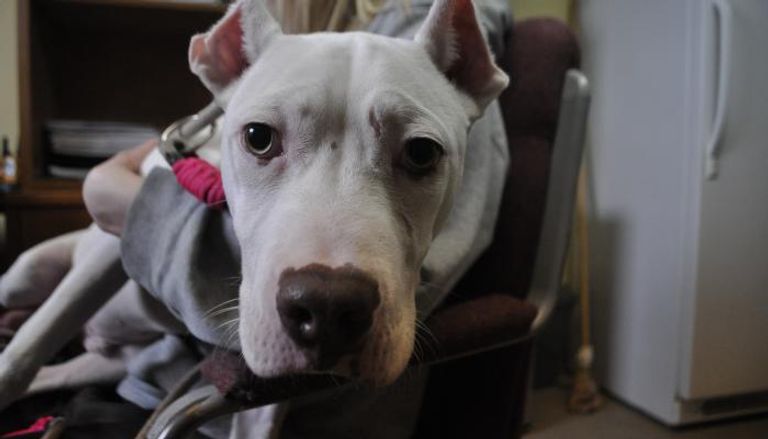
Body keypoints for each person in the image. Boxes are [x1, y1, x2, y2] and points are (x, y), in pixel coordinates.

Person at [84, 1, 513, 437]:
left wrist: (135, 207)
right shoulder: (281, 61)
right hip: (165, 377)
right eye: (261, 138)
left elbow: (218, 276)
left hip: (293, 417)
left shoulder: (426, 54)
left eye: (419, 153)